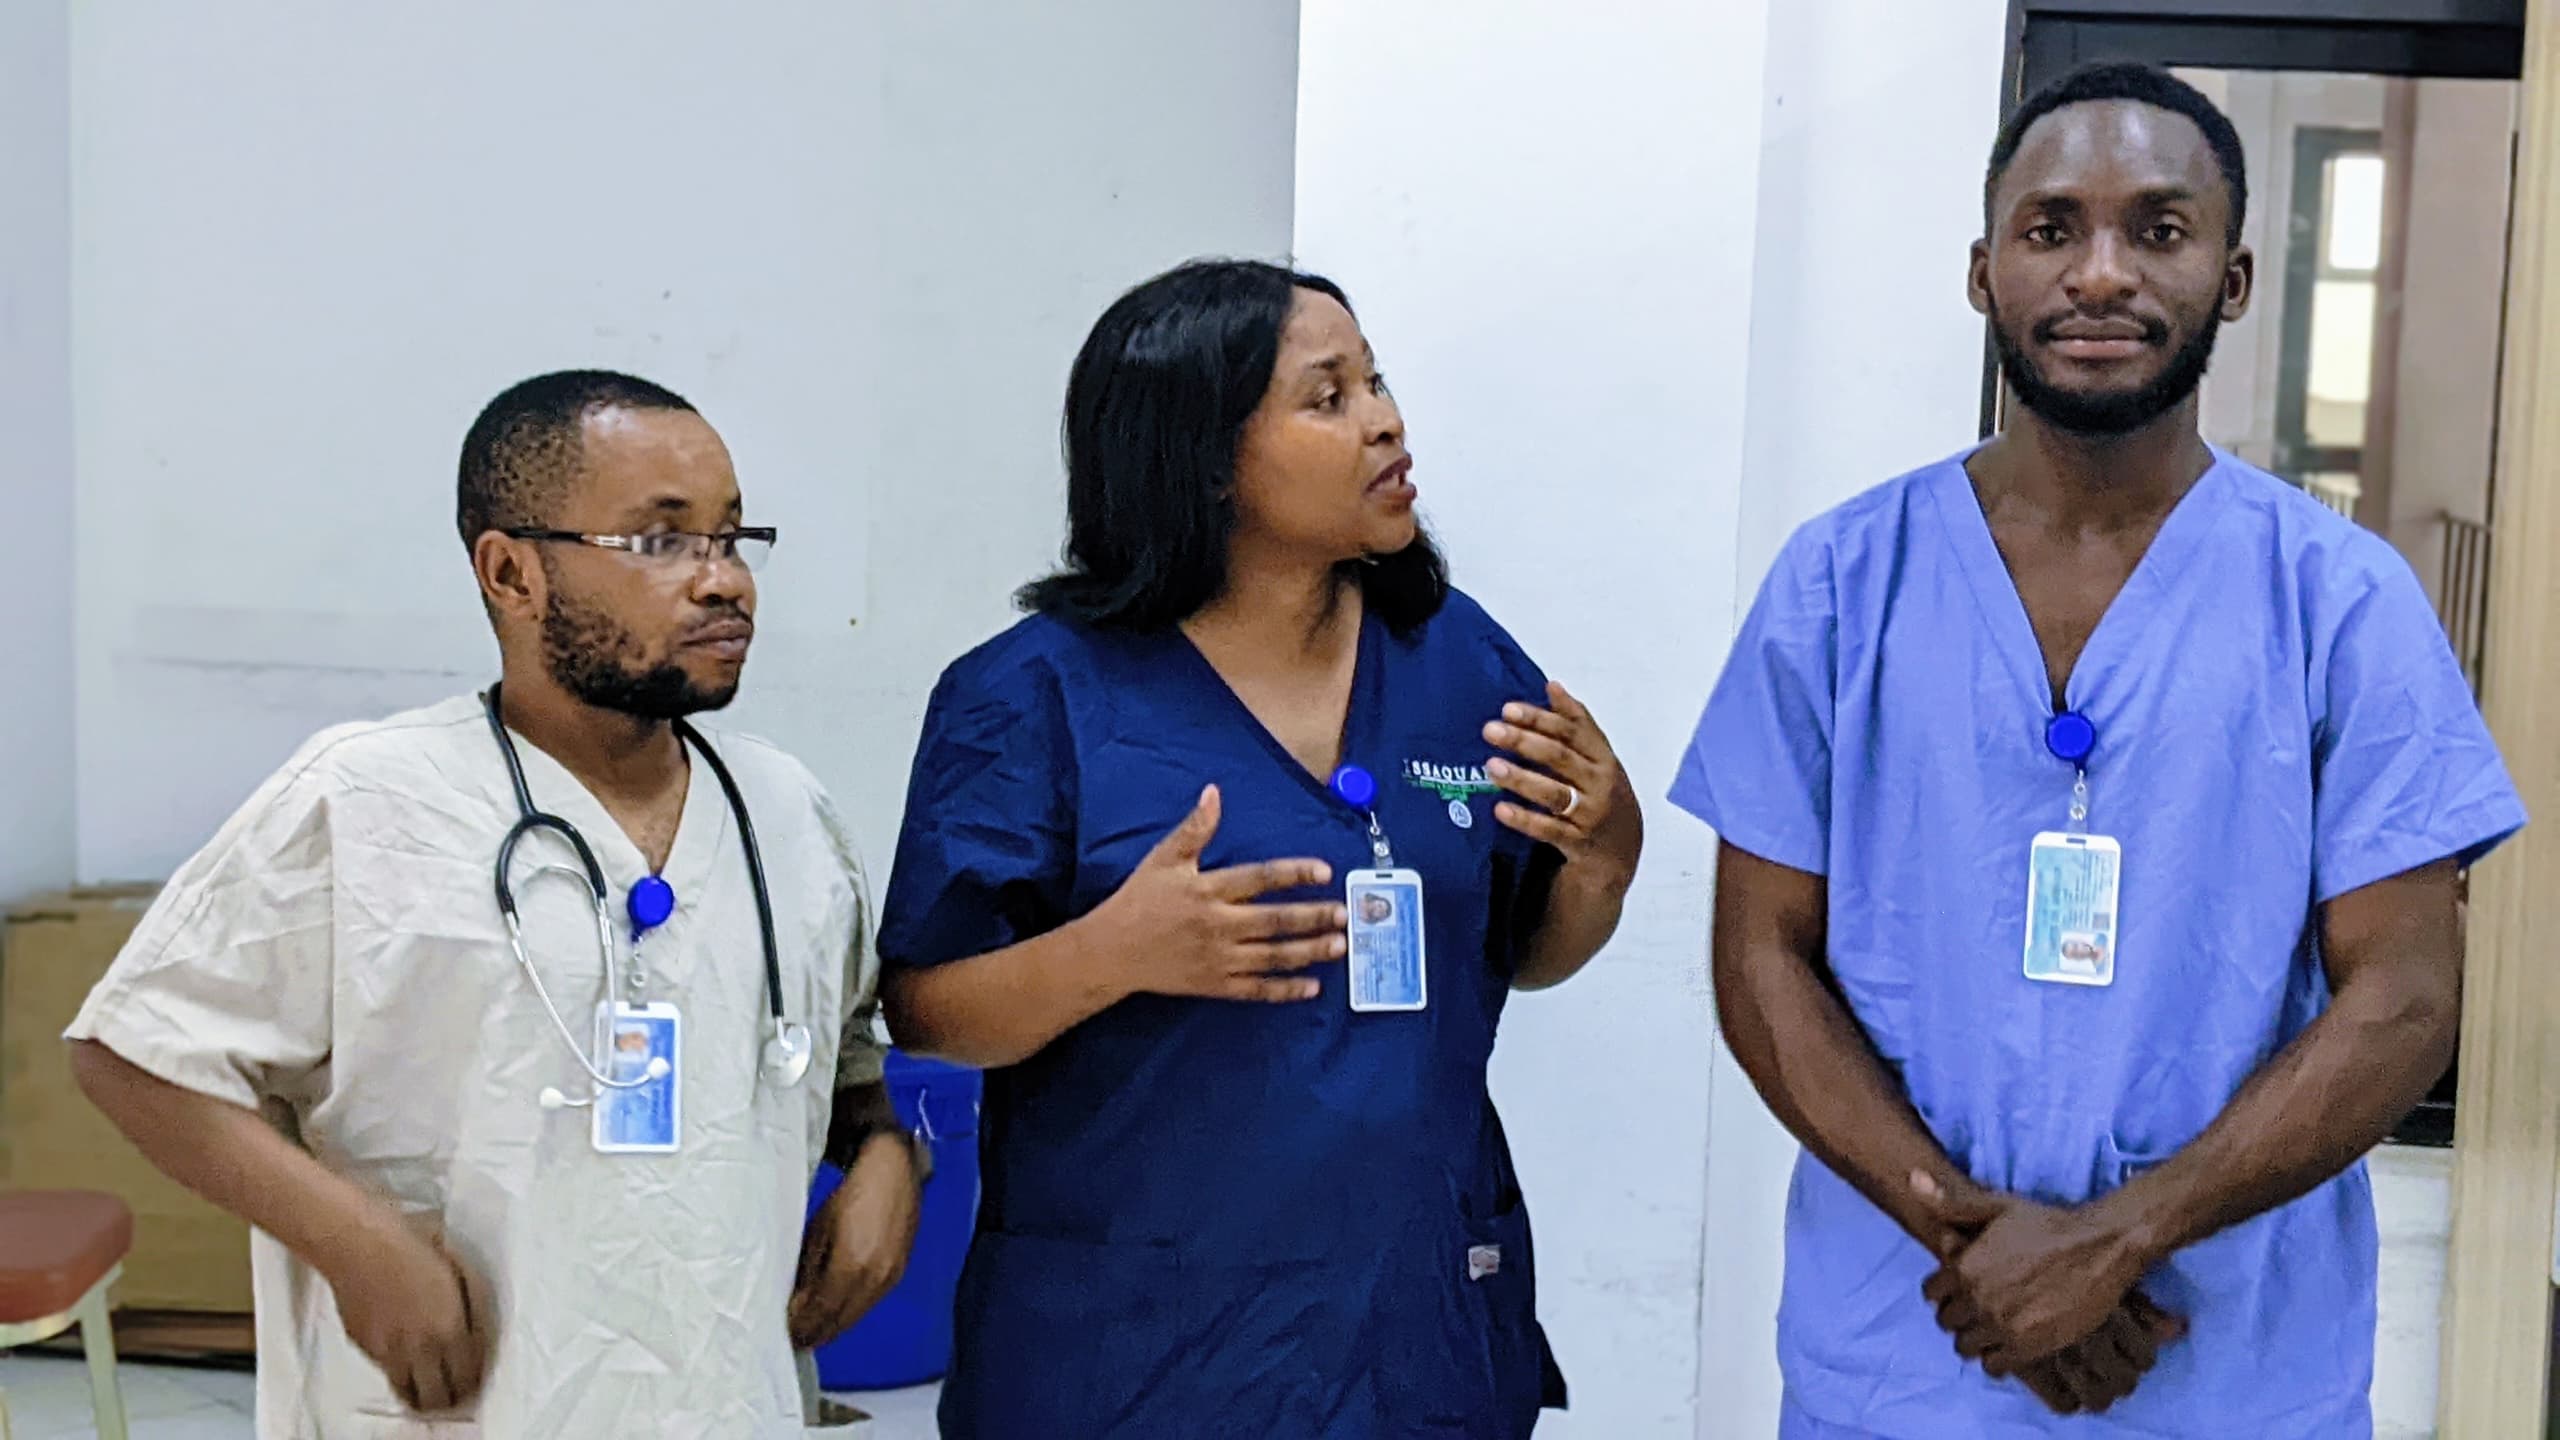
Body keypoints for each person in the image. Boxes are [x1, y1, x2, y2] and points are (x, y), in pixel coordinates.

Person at [1672, 63, 2526, 1438]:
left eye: (2160, 230)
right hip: (1909, 1366)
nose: (2102, 273)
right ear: (1982, 271)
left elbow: (2406, 996)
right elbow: (1761, 955)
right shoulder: (1839, 586)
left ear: (2233, 281)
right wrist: (1978, 1251)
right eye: (2052, 227)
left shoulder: (2340, 605)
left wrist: (2121, 1239)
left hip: (2230, 1374)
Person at [65, 370, 925, 1438]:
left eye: (733, 538)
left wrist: (890, 1156)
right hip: (468, 1406)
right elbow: (137, 1054)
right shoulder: (367, 800)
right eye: (661, 540)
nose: (724, 582)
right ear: (512, 573)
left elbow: (846, 1052)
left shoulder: (784, 814)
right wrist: (356, 1246)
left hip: (721, 1400)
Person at [878, 258, 1644, 1437]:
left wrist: (1604, 854)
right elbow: (928, 1010)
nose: (1384, 420)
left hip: (1410, 1329)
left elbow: (1522, 952)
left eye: (1376, 383)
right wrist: (1112, 954)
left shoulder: (1460, 660)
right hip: (1136, 1353)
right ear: (1202, 457)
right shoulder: (1030, 696)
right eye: (1327, 398)